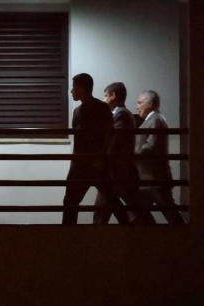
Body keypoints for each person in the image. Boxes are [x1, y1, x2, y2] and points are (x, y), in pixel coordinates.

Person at [62, 73, 130, 225]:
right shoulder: (85, 110)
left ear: (82, 88)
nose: (71, 91)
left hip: (90, 164)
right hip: (89, 164)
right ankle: (129, 230)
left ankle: (67, 238)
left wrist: (99, 158)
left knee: (72, 202)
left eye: (74, 87)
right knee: (110, 199)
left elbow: (108, 136)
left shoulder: (97, 109)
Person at [93, 82, 155, 224]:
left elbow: (114, 141)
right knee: (104, 210)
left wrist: (102, 158)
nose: (104, 99)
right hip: (115, 172)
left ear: (113, 96)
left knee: (130, 209)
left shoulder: (121, 114)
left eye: (106, 95)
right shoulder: (120, 114)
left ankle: (148, 234)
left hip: (119, 171)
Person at [135, 90, 185, 224]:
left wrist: (131, 154)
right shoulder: (154, 120)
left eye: (140, 103)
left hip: (154, 179)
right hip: (150, 179)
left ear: (150, 104)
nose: (137, 106)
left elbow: (150, 146)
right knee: (140, 215)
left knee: (170, 215)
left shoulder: (155, 120)